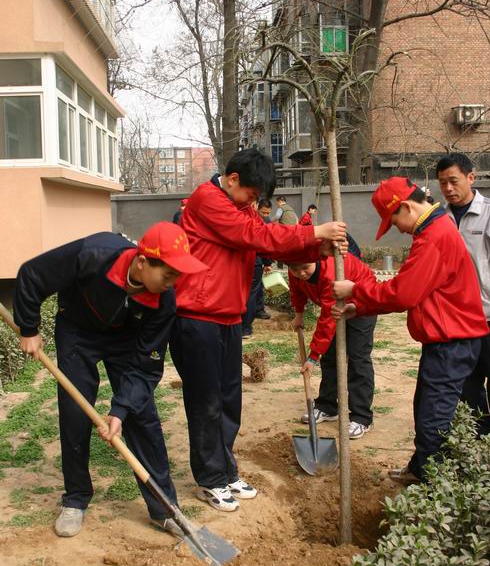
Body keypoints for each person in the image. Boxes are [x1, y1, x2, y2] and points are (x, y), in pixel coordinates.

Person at [170, 148, 346, 512]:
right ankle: (210, 478)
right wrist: (313, 232)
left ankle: (226, 469)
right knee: (206, 403)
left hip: (229, 317)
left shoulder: (241, 206)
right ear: (232, 180)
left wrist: (319, 249)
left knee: (229, 400)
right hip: (198, 317)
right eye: (251, 195)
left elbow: (264, 244)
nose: (254, 203)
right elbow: (258, 236)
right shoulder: (207, 200)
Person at [13, 222, 207, 537]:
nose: (173, 283)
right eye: (169, 274)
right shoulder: (93, 254)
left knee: (141, 415)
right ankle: (76, 498)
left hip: (126, 339)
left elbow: (146, 366)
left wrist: (120, 409)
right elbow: (33, 274)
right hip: (77, 331)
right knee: (75, 413)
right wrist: (29, 328)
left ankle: (164, 509)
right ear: (143, 263)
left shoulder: (163, 300)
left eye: (178, 276)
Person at [333, 177, 488, 484]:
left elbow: (403, 294)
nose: (398, 230)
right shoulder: (433, 231)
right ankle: (419, 470)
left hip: (451, 343)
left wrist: (355, 290)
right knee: (425, 410)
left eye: (394, 222)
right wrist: (360, 307)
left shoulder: (433, 237)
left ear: (405, 207)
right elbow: (411, 290)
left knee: (433, 422)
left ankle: (433, 492)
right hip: (445, 342)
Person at [288, 236, 377, 440]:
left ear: (315, 259)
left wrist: (312, 357)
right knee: (330, 357)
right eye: (295, 269)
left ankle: (362, 417)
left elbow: (327, 318)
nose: (301, 273)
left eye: (305, 268)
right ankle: (328, 407)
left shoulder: (331, 273)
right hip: (336, 308)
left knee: (357, 359)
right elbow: (297, 290)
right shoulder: (295, 270)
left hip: (361, 304)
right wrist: (299, 313)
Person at [436, 153, 490, 433]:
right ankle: (475, 443)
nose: (448, 188)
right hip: (458, 322)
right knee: (466, 386)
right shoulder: (441, 219)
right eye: (442, 183)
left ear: (471, 178)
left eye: (453, 181)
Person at [242, 199, 273, 337]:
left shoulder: (244, 216)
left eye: (268, 213)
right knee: (250, 295)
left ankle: (259, 311)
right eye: (263, 212)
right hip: (253, 262)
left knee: (252, 291)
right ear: (255, 206)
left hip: (249, 262)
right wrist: (267, 262)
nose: (265, 215)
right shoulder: (254, 220)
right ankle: (246, 328)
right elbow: (263, 244)